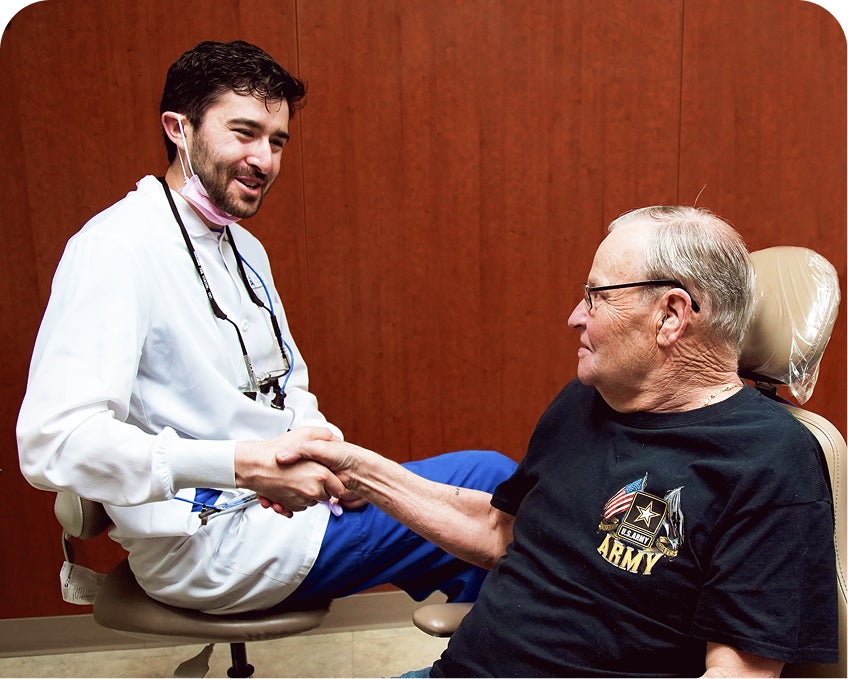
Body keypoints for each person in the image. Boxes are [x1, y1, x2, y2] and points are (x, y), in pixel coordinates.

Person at [17, 40, 516, 614]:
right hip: (207, 545)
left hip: (278, 509)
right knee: (489, 488)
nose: (266, 160)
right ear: (179, 129)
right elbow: (51, 443)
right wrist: (244, 466)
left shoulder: (244, 246)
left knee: (481, 511)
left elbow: (286, 384)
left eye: (277, 141)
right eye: (244, 133)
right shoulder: (114, 248)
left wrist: (327, 457)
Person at [281, 206, 839, 677]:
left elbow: (737, 672)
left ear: (671, 315)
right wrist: (357, 469)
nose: (576, 317)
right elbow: (501, 532)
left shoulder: (772, 461)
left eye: (596, 297)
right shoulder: (589, 399)